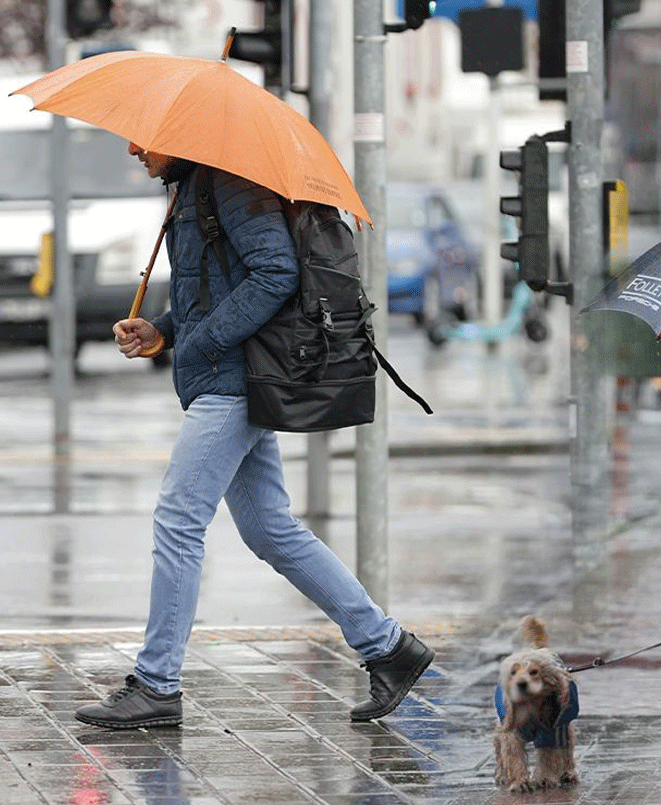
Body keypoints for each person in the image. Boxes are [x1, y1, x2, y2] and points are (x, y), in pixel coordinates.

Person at [74, 144, 434, 730]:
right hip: (226, 375)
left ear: (181, 136)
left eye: (143, 138)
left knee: (178, 518)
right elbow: (217, 286)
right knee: (269, 527)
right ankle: (389, 648)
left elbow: (276, 272)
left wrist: (203, 341)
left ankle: (156, 683)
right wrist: (162, 331)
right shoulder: (193, 188)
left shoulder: (229, 183)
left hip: (233, 382)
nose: (134, 148)